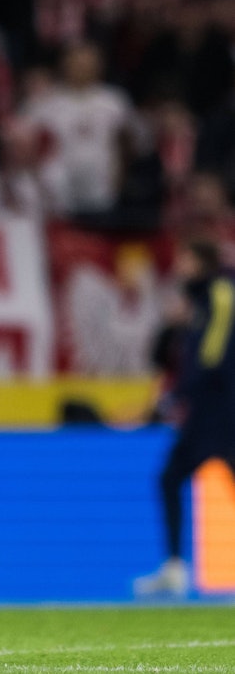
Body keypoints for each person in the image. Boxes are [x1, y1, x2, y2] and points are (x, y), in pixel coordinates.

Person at [134, 238, 235, 599]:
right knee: (170, 477)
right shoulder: (198, 299)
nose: (179, 267)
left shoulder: (222, 291)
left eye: (184, 258)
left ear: (200, 260)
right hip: (207, 408)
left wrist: (178, 394)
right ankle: (174, 568)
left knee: (171, 477)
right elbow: (172, 354)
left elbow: (212, 353)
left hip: (221, 408)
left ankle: (175, 568)